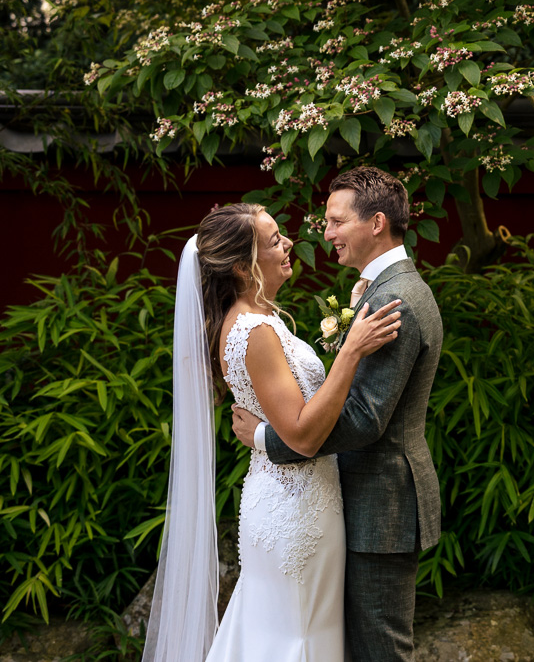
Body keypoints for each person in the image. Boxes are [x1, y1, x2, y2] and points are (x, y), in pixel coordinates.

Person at [142, 201, 402, 662]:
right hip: (296, 508)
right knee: (296, 638)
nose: (288, 245)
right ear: (244, 267)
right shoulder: (254, 330)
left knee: (282, 633)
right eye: (274, 240)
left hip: (292, 497)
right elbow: (302, 435)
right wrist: (351, 351)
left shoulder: (262, 320)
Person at [231, 166, 443, 662]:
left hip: (380, 508)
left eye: (334, 220)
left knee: (379, 653)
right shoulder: (383, 289)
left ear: (375, 223)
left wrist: (269, 440)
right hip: (362, 503)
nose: (324, 234)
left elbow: (366, 418)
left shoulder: (394, 300)